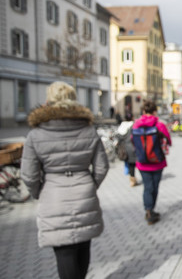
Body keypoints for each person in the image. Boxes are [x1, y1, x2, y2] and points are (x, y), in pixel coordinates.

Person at [21, 81, 109, 279]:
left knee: (64, 252)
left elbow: (28, 174)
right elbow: (102, 166)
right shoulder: (88, 130)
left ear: (48, 100)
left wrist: (39, 192)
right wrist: (90, 184)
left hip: (53, 195)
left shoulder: (36, 134)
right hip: (84, 190)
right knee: (84, 246)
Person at [132, 100, 172, 225]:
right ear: (155, 111)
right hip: (157, 161)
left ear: (143, 111)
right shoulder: (159, 125)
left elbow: (132, 141)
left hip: (142, 162)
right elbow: (169, 141)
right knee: (154, 187)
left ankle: (148, 210)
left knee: (147, 187)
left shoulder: (136, 124)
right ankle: (151, 210)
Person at [116, 114, 138, 187]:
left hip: (124, 149)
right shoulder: (133, 125)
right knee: (134, 164)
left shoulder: (121, 126)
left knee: (130, 164)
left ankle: (132, 180)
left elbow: (119, 138)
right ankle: (134, 180)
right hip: (132, 147)